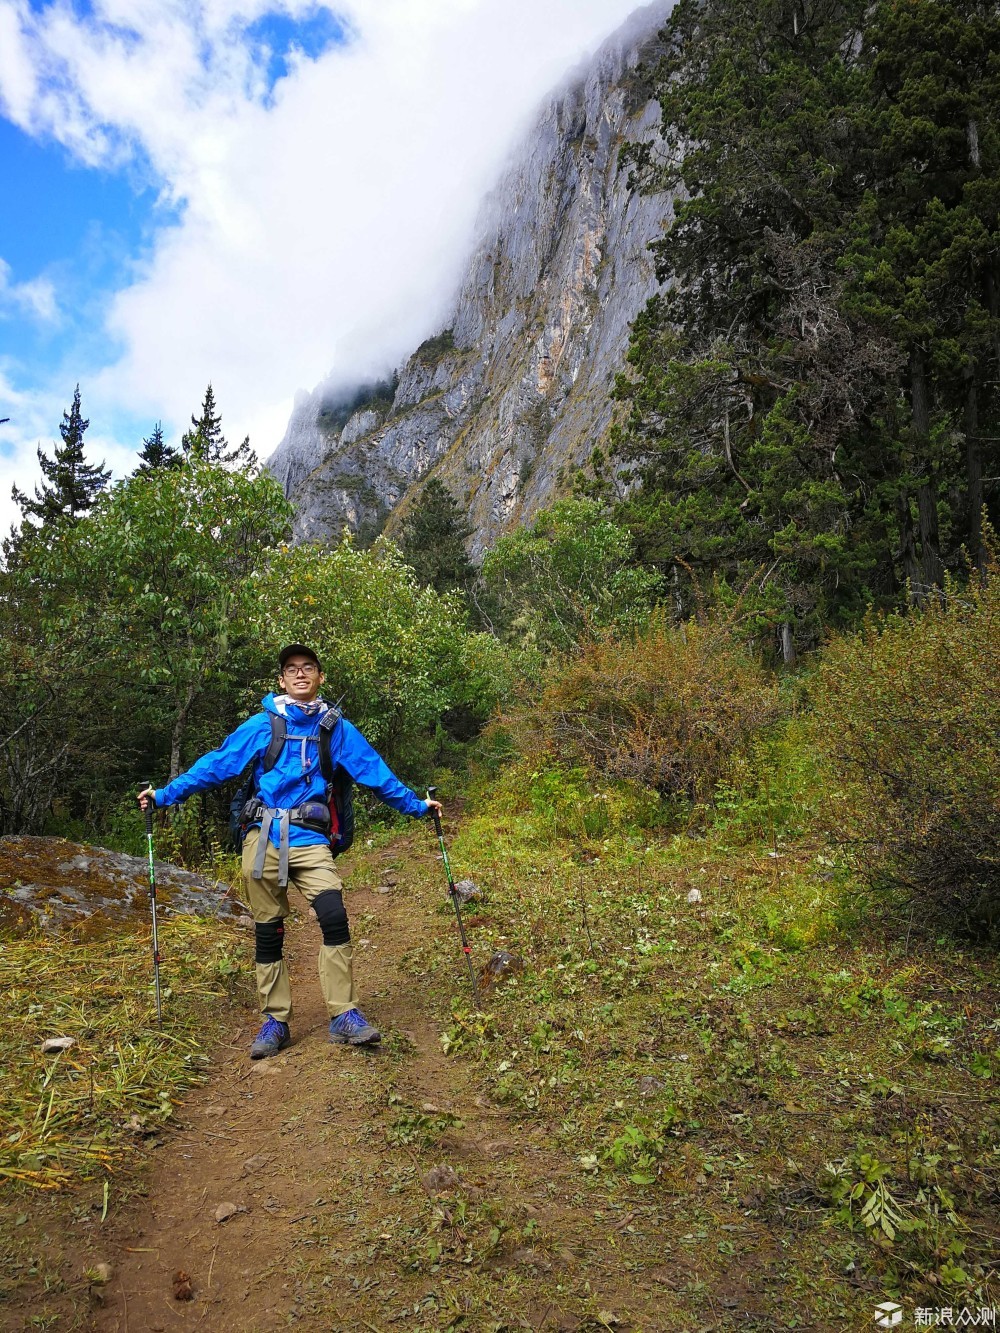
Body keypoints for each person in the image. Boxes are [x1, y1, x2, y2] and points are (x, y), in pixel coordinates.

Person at [138, 643, 441, 1059]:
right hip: (262, 838)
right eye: (292, 669)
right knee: (269, 931)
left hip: (311, 838)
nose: (300, 674)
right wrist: (165, 795)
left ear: (319, 678)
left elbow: (375, 772)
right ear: (281, 680)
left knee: (333, 914)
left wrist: (417, 806)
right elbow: (217, 764)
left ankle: (343, 1015)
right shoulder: (263, 725)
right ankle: (275, 1020)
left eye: (309, 668)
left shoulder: (337, 729)